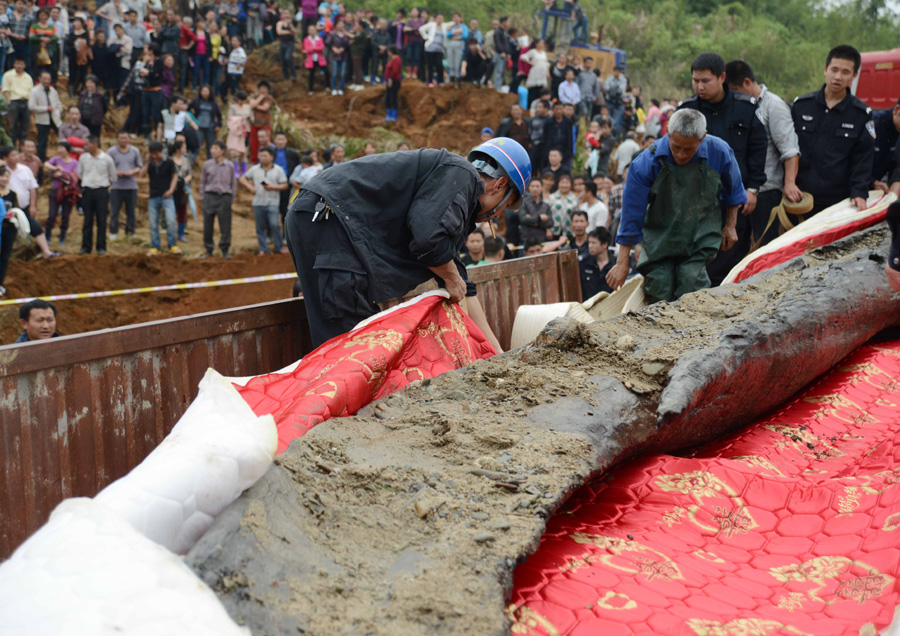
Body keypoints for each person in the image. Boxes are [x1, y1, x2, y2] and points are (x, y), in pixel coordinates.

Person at [285, 137, 530, 351]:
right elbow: (428, 242)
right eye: (505, 206)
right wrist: (453, 280)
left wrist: (496, 351)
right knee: (347, 341)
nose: (496, 217)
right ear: (500, 185)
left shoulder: (451, 192)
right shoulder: (461, 175)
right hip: (328, 220)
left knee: (348, 337)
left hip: (322, 218)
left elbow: (459, 279)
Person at [607, 109, 746, 303]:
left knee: (691, 282)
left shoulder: (719, 151)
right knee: (659, 286)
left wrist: (730, 225)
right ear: (667, 133)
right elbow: (631, 215)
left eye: (689, 149)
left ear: (702, 137)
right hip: (660, 239)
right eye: (676, 147)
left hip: (700, 235)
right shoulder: (645, 163)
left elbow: (734, 191)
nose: (681, 154)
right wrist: (622, 263)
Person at [677, 52, 767, 285]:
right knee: (699, 260)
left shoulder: (745, 108)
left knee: (732, 257)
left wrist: (753, 188)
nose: (699, 87)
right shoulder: (687, 111)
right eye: (695, 81)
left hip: (735, 199)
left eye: (705, 81)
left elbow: (757, 149)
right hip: (697, 201)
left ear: (722, 78)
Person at [726, 59, 802, 248]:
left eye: (734, 89)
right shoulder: (736, 106)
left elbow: (790, 149)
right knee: (737, 248)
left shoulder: (773, 106)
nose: (732, 95)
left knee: (766, 247)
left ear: (746, 82)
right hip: (740, 192)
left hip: (767, 192)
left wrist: (789, 183)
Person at [792, 45, 875, 216]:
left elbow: (863, 157)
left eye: (845, 72)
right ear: (825, 69)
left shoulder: (861, 114)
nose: (838, 77)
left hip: (836, 203)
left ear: (854, 75)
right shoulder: (801, 106)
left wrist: (859, 191)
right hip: (798, 197)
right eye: (834, 70)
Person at [240, 146, 287, 255]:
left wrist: (273, 187)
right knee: (260, 227)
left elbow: (284, 185)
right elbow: (242, 178)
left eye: (265, 155)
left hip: (273, 202)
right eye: (261, 155)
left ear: (271, 157)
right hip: (258, 202)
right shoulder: (255, 169)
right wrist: (250, 187)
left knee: (275, 225)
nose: (262, 158)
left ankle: (279, 247)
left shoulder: (278, 170)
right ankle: (263, 249)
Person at [77, 135, 117, 255]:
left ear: (95, 144)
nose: (86, 146)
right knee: (87, 220)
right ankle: (86, 246)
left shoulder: (107, 159)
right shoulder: (83, 158)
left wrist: (103, 185)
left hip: (101, 191)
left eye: (88, 144)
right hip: (88, 191)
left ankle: (101, 247)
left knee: (101, 220)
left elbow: (113, 176)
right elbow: (80, 174)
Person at [140, 140, 179, 255]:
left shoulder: (169, 162)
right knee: (153, 223)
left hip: (166, 196)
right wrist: (147, 163)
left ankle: (172, 245)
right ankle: (155, 246)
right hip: (153, 196)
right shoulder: (150, 163)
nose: (154, 156)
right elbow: (142, 175)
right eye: (152, 153)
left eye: (156, 153)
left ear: (161, 152)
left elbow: (175, 176)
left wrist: (171, 190)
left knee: (171, 221)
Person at [200, 140, 236, 258]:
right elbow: (203, 182)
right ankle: (209, 249)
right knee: (208, 224)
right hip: (210, 196)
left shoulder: (230, 165)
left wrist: (230, 198)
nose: (213, 151)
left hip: (224, 197)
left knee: (225, 225)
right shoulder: (207, 164)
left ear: (223, 151)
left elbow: (233, 183)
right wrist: (203, 197)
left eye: (216, 148)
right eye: (212, 148)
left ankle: (225, 249)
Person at [45, 141, 79, 246]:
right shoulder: (56, 159)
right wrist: (55, 169)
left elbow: (75, 176)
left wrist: (62, 175)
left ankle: (62, 239)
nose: (59, 150)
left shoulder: (74, 162)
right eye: (58, 148)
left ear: (67, 150)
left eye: (62, 148)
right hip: (55, 190)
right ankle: (47, 237)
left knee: (65, 216)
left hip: (68, 192)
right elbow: (46, 164)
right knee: (52, 214)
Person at [29, 72, 62, 163]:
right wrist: (45, 109)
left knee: (63, 136)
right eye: (45, 79)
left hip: (55, 118)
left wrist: (58, 111)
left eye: (49, 79)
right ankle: (41, 161)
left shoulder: (53, 90)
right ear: (40, 79)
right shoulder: (34, 91)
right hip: (42, 120)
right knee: (42, 142)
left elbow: (58, 103)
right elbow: (32, 106)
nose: (47, 81)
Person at [871, 97, 900, 197]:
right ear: (897, 111)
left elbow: (897, 166)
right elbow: (852, 160)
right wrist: (872, 181)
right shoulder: (870, 124)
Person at [2, 57, 32, 147]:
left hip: (25, 102)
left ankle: (23, 146)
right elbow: (5, 89)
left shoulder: (28, 77)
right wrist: (9, 101)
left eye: (21, 64)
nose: (19, 66)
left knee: (25, 125)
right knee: (13, 125)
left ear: (25, 65)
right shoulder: (8, 75)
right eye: (17, 63)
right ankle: (12, 147)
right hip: (14, 101)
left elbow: (31, 92)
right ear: (14, 64)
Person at [579, 227, 614, 301]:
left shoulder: (615, 265)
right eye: (589, 242)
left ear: (605, 244)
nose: (590, 246)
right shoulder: (583, 263)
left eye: (593, 243)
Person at [272, 131, 300, 224]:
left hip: (287, 182)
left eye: (282, 139)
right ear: (274, 140)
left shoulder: (292, 153)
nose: (280, 142)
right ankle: (270, 233)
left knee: (285, 206)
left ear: (286, 141)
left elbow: (297, 167)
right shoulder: (270, 152)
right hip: (273, 181)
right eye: (278, 139)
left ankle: (285, 232)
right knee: (272, 207)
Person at [519, 177, 553, 244]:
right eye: (532, 186)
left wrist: (532, 219)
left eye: (537, 186)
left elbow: (550, 223)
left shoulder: (546, 205)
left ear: (542, 188)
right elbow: (522, 219)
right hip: (526, 240)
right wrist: (540, 218)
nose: (535, 189)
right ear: (529, 188)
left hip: (542, 240)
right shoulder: (524, 203)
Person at [543, 101, 574, 172]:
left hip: (564, 150)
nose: (559, 111)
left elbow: (570, 138)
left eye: (560, 109)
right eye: (557, 109)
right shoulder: (548, 122)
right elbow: (545, 138)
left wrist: (570, 152)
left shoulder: (568, 121)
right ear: (553, 110)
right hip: (551, 149)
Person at [546, 172, 577, 238]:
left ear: (571, 185)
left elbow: (576, 216)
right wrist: (548, 229)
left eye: (567, 183)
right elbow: (546, 214)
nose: (564, 185)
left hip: (570, 232)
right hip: (553, 232)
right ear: (558, 184)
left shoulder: (575, 199)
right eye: (562, 183)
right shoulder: (551, 197)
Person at [78, 75, 107, 140]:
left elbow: (105, 108)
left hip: (95, 121)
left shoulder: (100, 95)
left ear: (96, 84)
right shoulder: (82, 94)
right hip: (83, 120)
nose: (89, 85)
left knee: (95, 139)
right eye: (88, 83)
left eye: (91, 83)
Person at [303, 24, 328, 95]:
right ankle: (310, 90)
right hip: (311, 60)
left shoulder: (319, 38)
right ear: (308, 31)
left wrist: (313, 48)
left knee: (326, 71)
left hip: (319, 58)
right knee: (311, 75)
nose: (312, 31)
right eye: (310, 30)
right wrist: (315, 49)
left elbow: (321, 48)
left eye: (313, 30)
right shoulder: (306, 39)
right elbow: (308, 49)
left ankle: (327, 86)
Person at [420, 12, 444, 86]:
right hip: (430, 48)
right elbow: (421, 29)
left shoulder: (444, 26)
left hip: (439, 49)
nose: (440, 20)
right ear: (436, 19)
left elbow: (452, 23)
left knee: (439, 65)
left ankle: (440, 81)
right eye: (439, 18)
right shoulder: (431, 24)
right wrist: (426, 37)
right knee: (430, 65)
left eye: (442, 18)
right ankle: (430, 81)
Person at [327, 19, 350, 95]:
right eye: (339, 24)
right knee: (334, 73)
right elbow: (328, 43)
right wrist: (333, 48)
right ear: (336, 25)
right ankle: (334, 88)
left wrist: (343, 48)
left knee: (343, 73)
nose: (340, 26)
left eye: (342, 24)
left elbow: (348, 44)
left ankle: (341, 88)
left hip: (343, 56)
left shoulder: (346, 34)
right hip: (334, 56)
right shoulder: (332, 34)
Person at [225, 34, 246, 98]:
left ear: (239, 42)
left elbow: (244, 58)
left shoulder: (240, 50)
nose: (233, 42)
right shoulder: (234, 50)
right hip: (231, 71)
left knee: (234, 87)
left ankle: (235, 98)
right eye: (232, 40)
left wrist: (239, 65)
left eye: (235, 41)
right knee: (230, 86)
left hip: (236, 73)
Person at [383, 45, 401, 123]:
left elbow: (395, 71)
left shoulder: (397, 60)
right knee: (387, 98)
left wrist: (390, 80)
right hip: (389, 81)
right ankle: (388, 115)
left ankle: (393, 116)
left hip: (394, 81)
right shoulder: (392, 59)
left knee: (393, 98)